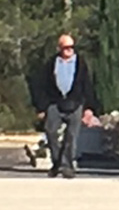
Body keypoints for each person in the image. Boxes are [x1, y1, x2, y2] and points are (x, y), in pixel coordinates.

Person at [30, 32, 99, 178]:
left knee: (71, 136)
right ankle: (57, 162)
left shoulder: (81, 64)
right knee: (51, 131)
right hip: (55, 103)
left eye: (72, 47)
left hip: (75, 103)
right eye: (66, 47)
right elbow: (40, 85)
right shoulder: (51, 64)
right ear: (60, 48)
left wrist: (89, 108)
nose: (70, 50)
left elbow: (87, 85)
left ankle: (67, 166)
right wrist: (41, 107)